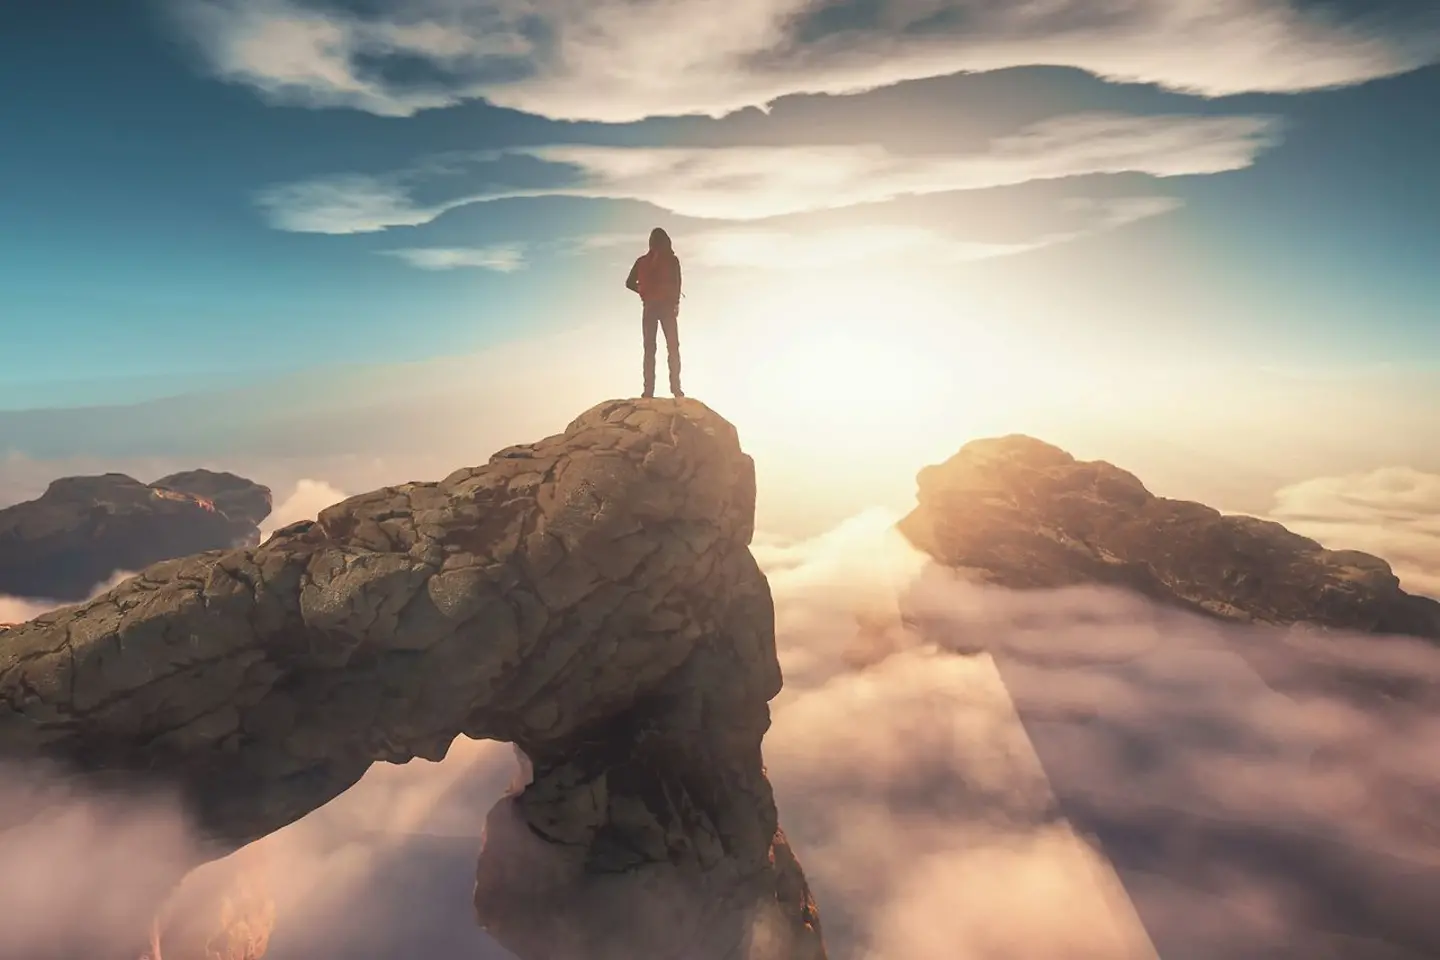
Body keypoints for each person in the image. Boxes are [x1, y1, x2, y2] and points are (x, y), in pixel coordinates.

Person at [625, 227, 684, 399]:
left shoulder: (642, 261)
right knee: (673, 347)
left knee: (649, 349)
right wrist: (676, 303)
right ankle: (676, 388)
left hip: (649, 308)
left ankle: (648, 391)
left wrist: (643, 291)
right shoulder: (672, 260)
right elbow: (677, 283)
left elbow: (629, 283)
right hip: (667, 308)